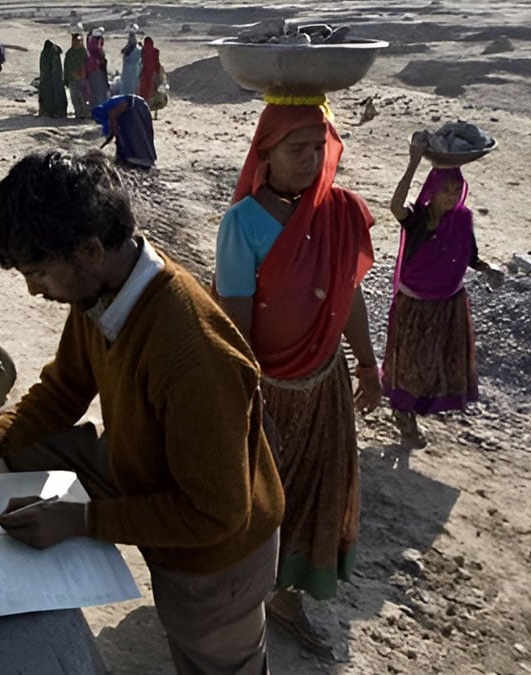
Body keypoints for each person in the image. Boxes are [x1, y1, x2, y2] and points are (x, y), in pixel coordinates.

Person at [0, 150, 286, 674]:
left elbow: (217, 514)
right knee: (25, 449)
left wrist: (83, 520)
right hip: (161, 485)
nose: (32, 289)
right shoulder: (104, 292)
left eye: (38, 271)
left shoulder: (192, 356)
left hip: (217, 561)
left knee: (213, 657)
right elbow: (64, 389)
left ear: (89, 249)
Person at [213, 102, 380, 655]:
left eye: (318, 147)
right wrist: (244, 400)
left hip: (325, 384)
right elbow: (234, 323)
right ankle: (239, 598)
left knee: (314, 491)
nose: (310, 160)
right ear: (265, 154)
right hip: (269, 391)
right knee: (261, 497)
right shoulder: (241, 225)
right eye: (296, 149)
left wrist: (368, 363)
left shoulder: (341, 213)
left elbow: (347, 295)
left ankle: (287, 597)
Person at [382, 134, 503, 447]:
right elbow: (395, 206)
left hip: (449, 303)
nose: (450, 196)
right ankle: (403, 414)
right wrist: (413, 163)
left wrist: (488, 269)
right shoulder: (418, 218)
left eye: (455, 189)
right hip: (415, 301)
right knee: (409, 359)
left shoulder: (461, 221)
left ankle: (418, 406)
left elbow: (470, 256)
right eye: (444, 189)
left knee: (436, 360)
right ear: (431, 190)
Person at [92, 95, 155, 168]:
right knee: (126, 134)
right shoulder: (109, 112)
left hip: (137, 106)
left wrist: (114, 130)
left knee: (138, 134)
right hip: (132, 109)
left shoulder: (110, 110)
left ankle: (142, 159)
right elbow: (112, 130)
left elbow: (125, 103)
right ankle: (129, 157)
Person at [37, 40, 68, 118]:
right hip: (54, 80)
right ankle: (58, 111)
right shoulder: (54, 53)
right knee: (56, 91)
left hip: (47, 80)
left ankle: (47, 110)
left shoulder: (45, 53)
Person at [137, 36, 166, 116]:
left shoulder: (143, 51)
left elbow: (142, 60)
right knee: (155, 92)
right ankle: (155, 110)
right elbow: (157, 62)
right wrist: (158, 73)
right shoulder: (156, 51)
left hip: (144, 74)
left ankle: (144, 109)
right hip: (153, 74)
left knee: (143, 92)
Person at [63, 31, 89, 119]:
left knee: (82, 97)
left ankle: (83, 114)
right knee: (75, 98)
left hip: (81, 78)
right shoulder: (70, 53)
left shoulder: (83, 52)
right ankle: (79, 114)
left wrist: (81, 74)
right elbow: (68, 66)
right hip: (72, 78)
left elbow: (85, 64)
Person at [84, 28, 109, 114]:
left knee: (95, 91)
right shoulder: (95, 47)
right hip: (97, 70)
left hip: (93, 69)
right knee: (98, 91)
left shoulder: (91, 45)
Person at [119, 27, 141, 96]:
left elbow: (123, 51)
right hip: (133, 72)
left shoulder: (132, 48)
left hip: (130, 73)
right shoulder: (137, 48)